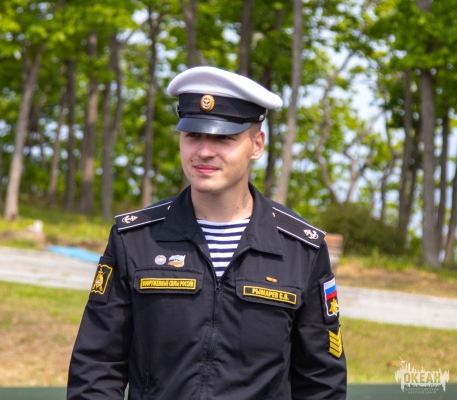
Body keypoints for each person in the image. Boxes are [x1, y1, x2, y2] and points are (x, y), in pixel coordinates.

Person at [67, 66, 347, 399]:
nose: (204, 151)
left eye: (223, 138)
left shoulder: (301, 249)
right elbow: (96, 366)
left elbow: (322, 382)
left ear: (257, 144)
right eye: (193, 135)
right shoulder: (134, 239)